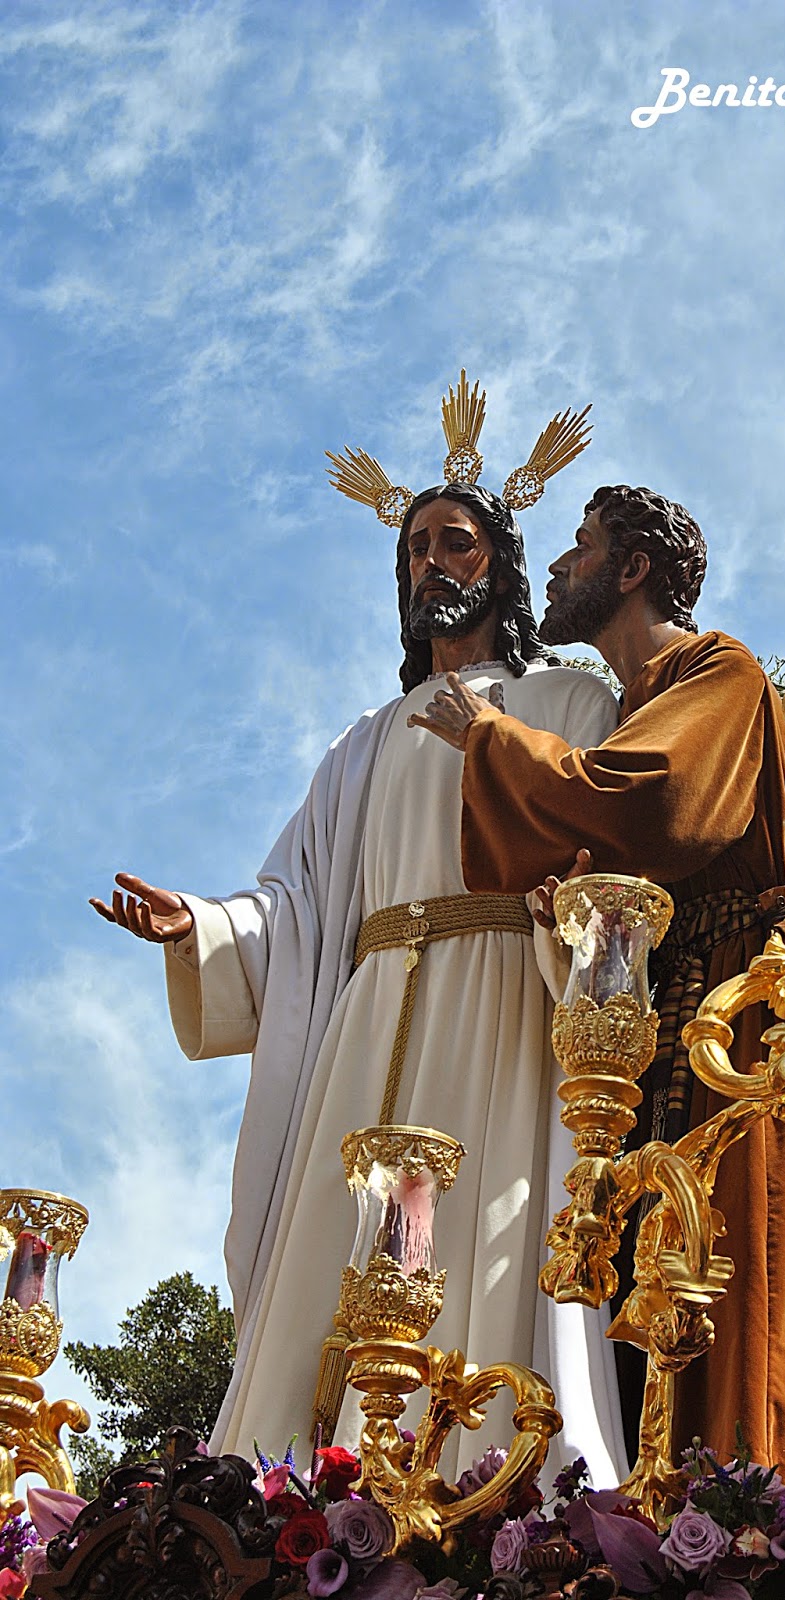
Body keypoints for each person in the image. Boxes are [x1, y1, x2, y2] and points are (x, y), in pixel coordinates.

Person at [90, 411, 626, 1481]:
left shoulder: (571, 698)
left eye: (455, 541)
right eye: (415, 548)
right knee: (326, 1264)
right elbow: (295, 904)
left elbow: (612, 855)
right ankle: (304, 1492)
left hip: (507, 995)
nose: (431, 560)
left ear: (502, 565)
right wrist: (204, 926)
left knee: (499, 1225)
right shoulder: (362, 744)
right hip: (370, 1014)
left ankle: (492, 1479)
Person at [410, 483, 785, 1487]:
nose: (560, 567)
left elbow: (658, 805)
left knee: (727, 1277)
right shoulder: (624, 704)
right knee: (631, 1282)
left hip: (742, 1021)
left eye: (580, 547)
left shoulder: (719, 669)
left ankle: (743, 1521)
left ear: (634, 567)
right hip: (647, 1024)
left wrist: (489, 737)